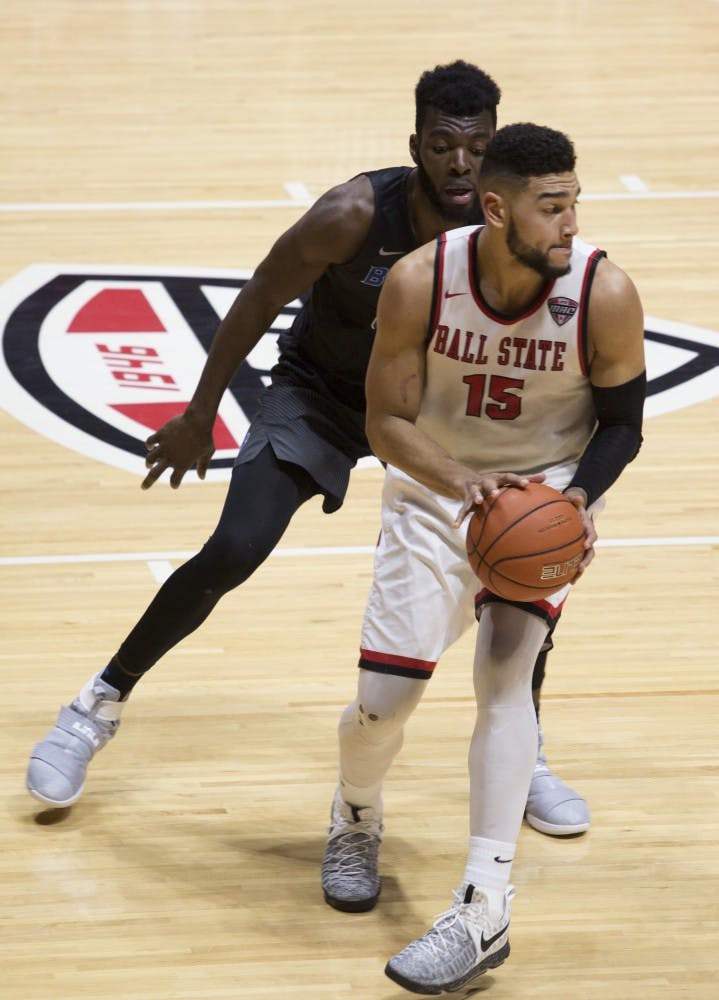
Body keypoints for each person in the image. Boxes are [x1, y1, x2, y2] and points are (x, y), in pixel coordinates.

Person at [26, 62, 584, 837]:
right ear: (414, 144)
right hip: (319, 397)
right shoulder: (352, 214)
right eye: (441, 146)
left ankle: (525, 752)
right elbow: (259, 294)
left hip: (430, 415)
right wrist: (198, 412)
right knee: (234, 546)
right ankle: (96, 704)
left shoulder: (502, 230)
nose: (458, 164)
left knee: (521, 563)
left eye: (476, 148)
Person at [320, 123, 645, 994]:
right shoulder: (423, 281)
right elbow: (385, 422)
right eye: (550, 206)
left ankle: (481, 906)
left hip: (539, 503)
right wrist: (463, 483)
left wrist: (571, 502)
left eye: (573, 201)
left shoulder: (603, 292)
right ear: (496, 208)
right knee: (384, 706)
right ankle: (354, 809)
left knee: (505, 677)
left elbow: (621, 426)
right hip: (436, 496)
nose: (569, 221)